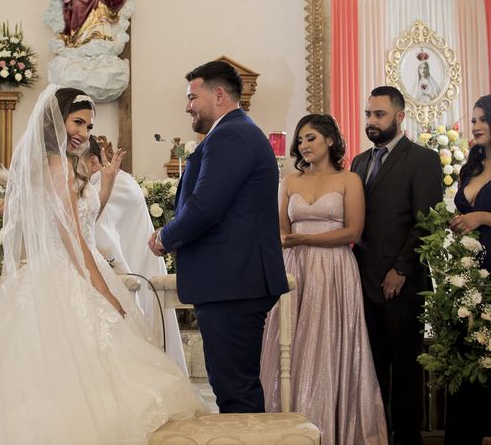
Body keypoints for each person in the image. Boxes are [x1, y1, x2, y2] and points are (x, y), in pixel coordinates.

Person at [0, 86, 203, 444]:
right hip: (69, 276)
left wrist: (108, 183)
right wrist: (107, 294)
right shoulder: (58, 167)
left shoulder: (54, 165)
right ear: (57, 121)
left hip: (55, 272)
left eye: (89, 125)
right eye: (77, 122)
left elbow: (80, 222)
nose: (83, 133)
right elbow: (76, 241)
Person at [149, 60, 289, 413]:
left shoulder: (231, 134)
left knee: (235, 391)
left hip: (233, 282)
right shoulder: (236, 132)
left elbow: (205, 206)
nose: (187, 106)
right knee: (231, 385)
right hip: (233, 281)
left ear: (219, 94)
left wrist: (165, 236)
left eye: (192, 97)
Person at [260, 114, 388, 444]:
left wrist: (306, 240)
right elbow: (280, 227)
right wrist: (289, 238)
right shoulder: (289, 180)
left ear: (330, 140)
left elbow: (354, 231)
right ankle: (286, 423)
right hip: (295, 268)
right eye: (300, 140)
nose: (304, 145)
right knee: (290, 341)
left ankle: (331, 425)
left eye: (311, 138)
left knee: (328, 340)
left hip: (334, 268)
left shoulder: (349, 180)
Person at [351, 86, 443, 445]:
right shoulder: (359, 162)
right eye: (368, 115)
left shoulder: (422, 159)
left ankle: (407, 439)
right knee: (372, 369)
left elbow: (426, 221)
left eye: (379, 115)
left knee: (405, 371)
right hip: (362, 280)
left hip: (401, 284)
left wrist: (401, 270)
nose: (371, 122)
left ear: (400, 117)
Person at [85, 136, 188, 373]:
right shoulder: (100, 182)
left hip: (136, 266)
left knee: (141, 328)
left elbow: (100, 237)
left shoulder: (111, 183)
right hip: (136, 262)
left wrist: (114, 284)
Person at [447, 94, 491, 444]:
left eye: (482, 119)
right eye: (473, 119)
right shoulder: (470, 168)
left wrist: (484, 217)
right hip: (468, 272)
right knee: (467, 355)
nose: (475, 126)